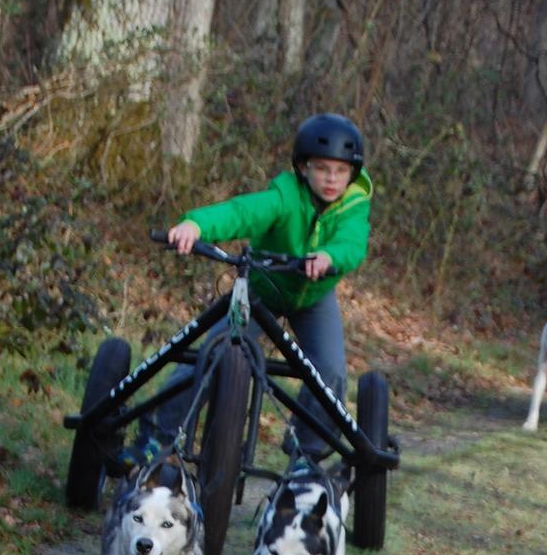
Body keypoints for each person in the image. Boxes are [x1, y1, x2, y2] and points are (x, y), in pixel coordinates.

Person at [124, 112, 372, 467]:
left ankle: (307, 455)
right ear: (303, 168)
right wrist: (196, 225)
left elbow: (353, 244)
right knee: (212, 353)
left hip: (314, 298)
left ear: (352, 172)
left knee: (329, 371)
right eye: (321, 168)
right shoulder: (284, 197)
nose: (331, 179)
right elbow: (241, 212)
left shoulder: (353, 207)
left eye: (340, 171)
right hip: (261, 290)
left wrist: (329, 256)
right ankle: (157, 437)